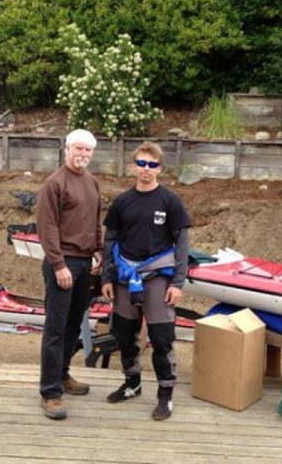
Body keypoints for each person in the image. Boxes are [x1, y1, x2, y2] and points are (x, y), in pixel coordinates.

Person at [101, 141, 192, 421]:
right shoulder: (122, 202)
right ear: (133, 166)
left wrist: (178, 283)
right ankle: (132, 383)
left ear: (160, 169)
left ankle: (165, 395)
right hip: (125, 278)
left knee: (162, 340)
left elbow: (182, 245)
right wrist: (107, 277)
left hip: (156, 279)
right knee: (125, 335)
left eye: (152, 165)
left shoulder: (170, 201)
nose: (146, 169)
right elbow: (110, 240)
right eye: (141, 163)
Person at [36, 128, 103, 420]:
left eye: (88, 151)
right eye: (79, 149)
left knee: (74, 325)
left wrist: (98, 251)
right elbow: (47, 227)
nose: (83, 155)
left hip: (85, 262)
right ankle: (50, 392)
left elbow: (95, 220)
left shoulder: (92, 183)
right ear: (67, 150)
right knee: (55, 328)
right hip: (62, 264)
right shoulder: (55, 184)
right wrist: (59, 264)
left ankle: (62, 374)